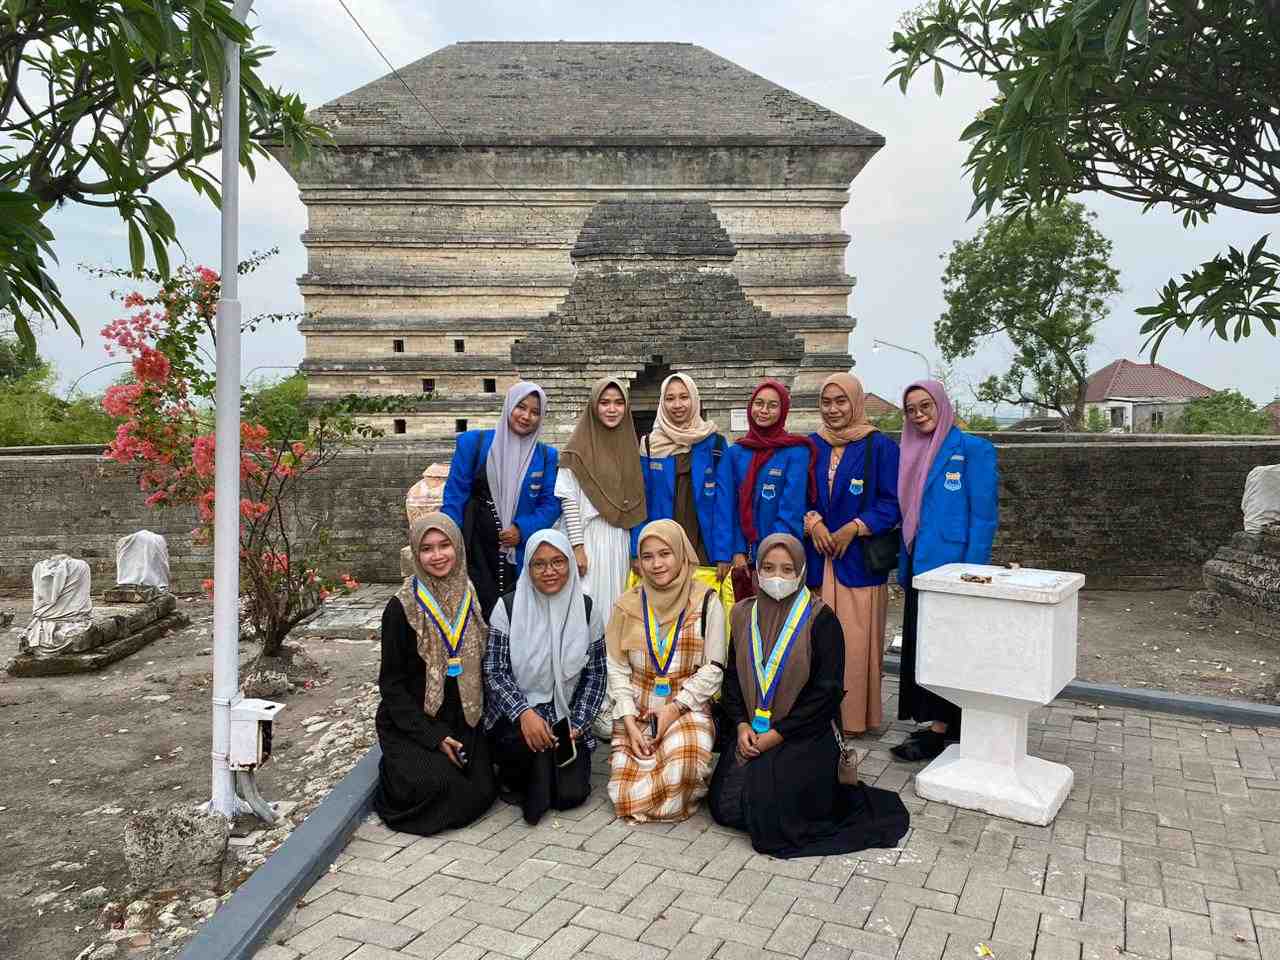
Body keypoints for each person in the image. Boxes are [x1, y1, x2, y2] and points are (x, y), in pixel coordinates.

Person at [708, 534, 911, 858]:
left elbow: (825, 695)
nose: (777, 577)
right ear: (757, 570)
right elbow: (732, 678)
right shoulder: (744, 614)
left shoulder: (822, 619)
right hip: (753, 730)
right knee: (724, 806)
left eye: (787, 569)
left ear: (801, 572)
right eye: (769, 568)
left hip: (804, 733)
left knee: (772, 808)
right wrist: (742, 725)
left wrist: (778, 733)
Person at [890, 380, 999, 763]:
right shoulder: (910, 453)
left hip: (954, 569)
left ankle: (942, 727)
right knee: (926, 647)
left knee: (952, 647)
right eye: (911, 409)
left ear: (941, 406)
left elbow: (983, 518)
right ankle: (934, 719)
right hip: (919, 564)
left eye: (925, 406)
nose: (919, 415)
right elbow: (907, 518)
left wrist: (971, 572)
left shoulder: (973, 451)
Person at [374, 513, 496, 835]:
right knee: (439, 788)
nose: (438, 555)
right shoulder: (401, 609)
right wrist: (435, 736)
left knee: (483, 787)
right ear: (416, 553)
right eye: (427, 549)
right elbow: (391, 686)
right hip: (414, 720)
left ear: (458, 547)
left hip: (462, 714)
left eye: (445, 545)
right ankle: (394, 768)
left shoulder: (471, 594)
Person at [484, 529, 607, 825]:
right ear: (527, 567)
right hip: (517, 717)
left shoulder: (587, 608)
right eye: (539, 564)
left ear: (569, 564)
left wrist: (577, 723)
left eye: (558, 562)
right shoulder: (509, 608)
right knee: (535, 760)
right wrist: (524, 713)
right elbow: (495, 671)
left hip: (566, 717)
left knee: (571, 794)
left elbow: (596, 674)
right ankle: (528, 773)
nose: (549, 571)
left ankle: (539, 776)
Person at [606, 519, 725, 822]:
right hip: (639, 706)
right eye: (647, 556)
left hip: (686, 706)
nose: (657, 564)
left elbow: (714, 669)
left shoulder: (706, 601)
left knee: (679, 766)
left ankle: (688, 778)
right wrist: (629, 720)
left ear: (682, 554)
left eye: (665, 553)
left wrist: (674, 708)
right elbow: (617, 668)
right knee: (625, 796)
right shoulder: (626, 605)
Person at [803, 373, 901, 735]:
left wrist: (855, 526)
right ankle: (816, 719)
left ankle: (854, 719)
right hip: (818, 562)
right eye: (827, 402)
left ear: (855, 402)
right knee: (815, 643)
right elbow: (798, 496)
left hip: (857, 564)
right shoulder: (811, 447)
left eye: (841, 401)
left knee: (855, 647)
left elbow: (894, 503)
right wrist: (813, 523)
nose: (833, 409)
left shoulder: (880, 447)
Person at [441, 382, 560, 618]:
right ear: (509, 406)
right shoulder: (473, 444)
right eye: (521, 407)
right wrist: (448, 542)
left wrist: (522, 528)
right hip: (476, 548)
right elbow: (455, 496)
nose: (526, 416)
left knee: (518, 613)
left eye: (535, 412)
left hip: (520, 552)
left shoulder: (546, 456)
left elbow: (550, 504)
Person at [557, 377, 647, 617]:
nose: (612, 409)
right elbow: (569, 500)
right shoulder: (576, 450)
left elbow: (636, 503)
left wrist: (634, 552)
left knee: (617, 606)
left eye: (618, 403)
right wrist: (577, 548)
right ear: (594, 406)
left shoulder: (631, 450)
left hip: (619, 540)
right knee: (588, 606)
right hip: (589, 538)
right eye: (605, 402)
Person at [635, 373, 733, 576]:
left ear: (695, 400)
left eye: (684, 397)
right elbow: (641, 501)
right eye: (670, 399)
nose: (677, 405)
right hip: (660, 549)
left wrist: (724, 553)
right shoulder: (649, 446)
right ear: (662, 403)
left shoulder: (714, 443)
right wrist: (637, 549)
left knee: (700, 605)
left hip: (703, 544)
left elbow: (724, 502)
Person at [726, 379, 817, 584]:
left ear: (783, 410)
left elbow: (791, 510)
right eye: (759, 403)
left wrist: (770, 555)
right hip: (742, 559)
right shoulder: (736, 453)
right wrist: (737, 551)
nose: (764, 410)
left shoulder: (796, 452)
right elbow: (730, 506)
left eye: (773, 405)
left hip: (779, 557)